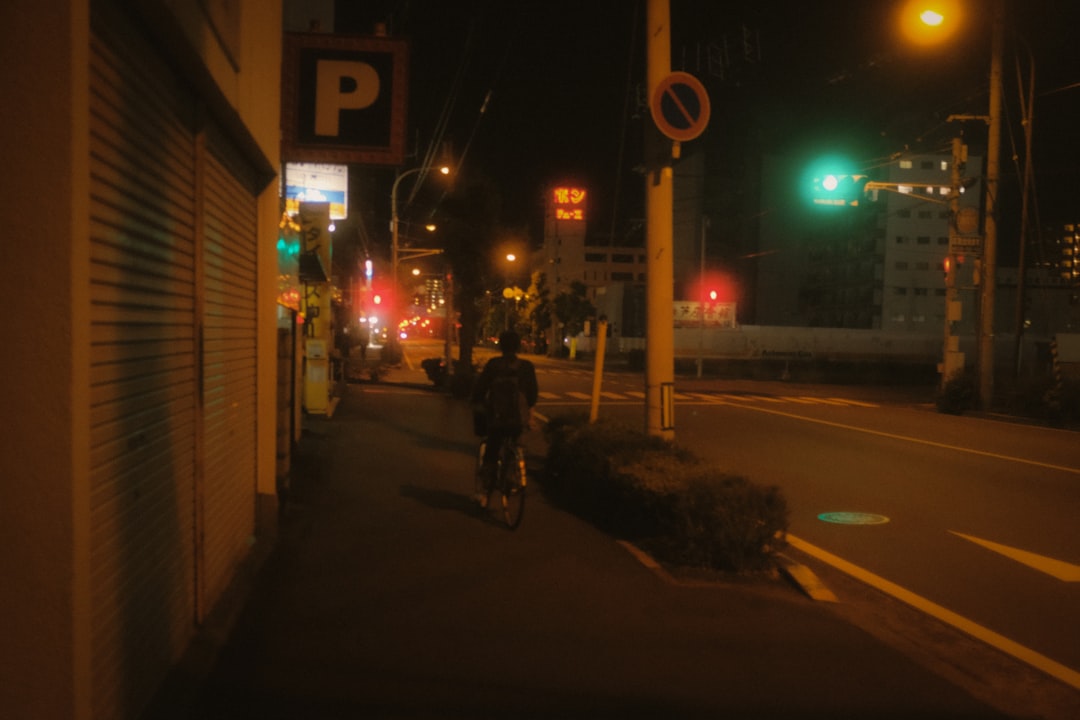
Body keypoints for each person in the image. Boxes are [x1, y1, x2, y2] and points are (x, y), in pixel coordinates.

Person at [471, 330, 539, 506]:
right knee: (517, 443)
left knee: (492, 451)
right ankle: (513, 473)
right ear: (518, 346)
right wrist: (529, 415)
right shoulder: (526, 367)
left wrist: (478, 404)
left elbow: (480, 390)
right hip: (518, 419)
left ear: (501, 346)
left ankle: (485, 492)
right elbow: (532, 395)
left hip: (497, 419)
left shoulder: (494, 365)